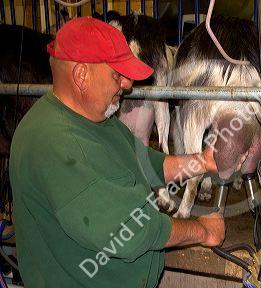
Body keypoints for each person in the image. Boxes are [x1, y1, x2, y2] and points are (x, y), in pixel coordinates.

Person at [9, 17, 232, 288]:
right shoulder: (52, 142)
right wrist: (202, 231)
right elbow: (131, 231)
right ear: (81, 75)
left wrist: (205, 161)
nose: (127, 85)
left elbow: (150, 164)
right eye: (117, 74)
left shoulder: (98, 120)